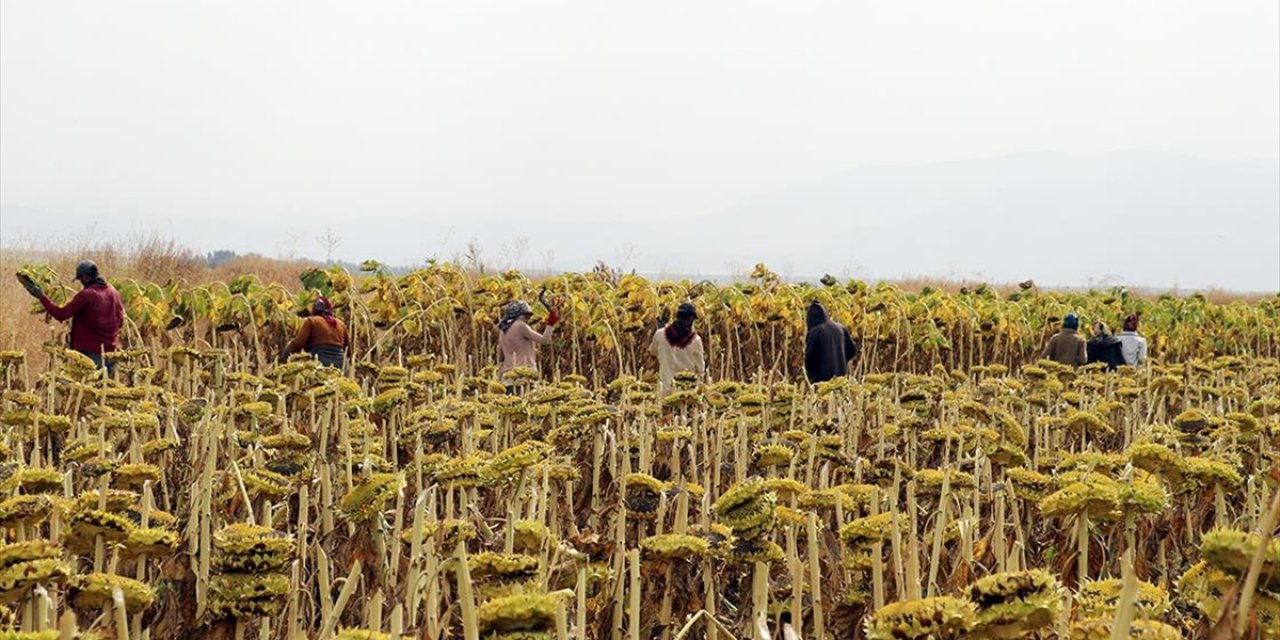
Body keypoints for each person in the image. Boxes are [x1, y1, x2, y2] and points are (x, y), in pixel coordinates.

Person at [20, 260, 124, 374]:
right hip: (111, 353)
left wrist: (41, 296)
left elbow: (62, 314)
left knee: (86, 388)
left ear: (84, 276)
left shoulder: (87, 294)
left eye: (80, 279)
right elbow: (120, 322)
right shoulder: (114, 292)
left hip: (91, 353)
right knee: (106, 389)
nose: (81, 282)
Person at [649, 302, 706, 396]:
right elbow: (700, 369)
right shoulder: (696, 340)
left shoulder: (660, 334)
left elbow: (653, 352)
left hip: (665, 390)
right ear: (690, 320)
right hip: (687, 393)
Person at [497, 300, 558, 378]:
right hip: (524, 372)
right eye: (526, 316)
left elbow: (500, 351)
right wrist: (551, 322)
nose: (527, 319)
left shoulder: (502, 330)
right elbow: (544, 340)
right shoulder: (521, 326)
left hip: (507, 374)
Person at [284, 296, 349, 369]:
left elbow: (298, 343)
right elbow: (348, 350)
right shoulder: (341, 324)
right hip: (340, 365)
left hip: (319, 362)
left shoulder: (311, 321)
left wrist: (285, 354)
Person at [804, 300, 858, 383]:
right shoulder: (841, 328)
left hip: (822, 382)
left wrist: (812, 377)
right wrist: (840, 359)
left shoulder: (814, 332)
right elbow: (852, 350)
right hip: (841, 378)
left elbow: (810, 359)